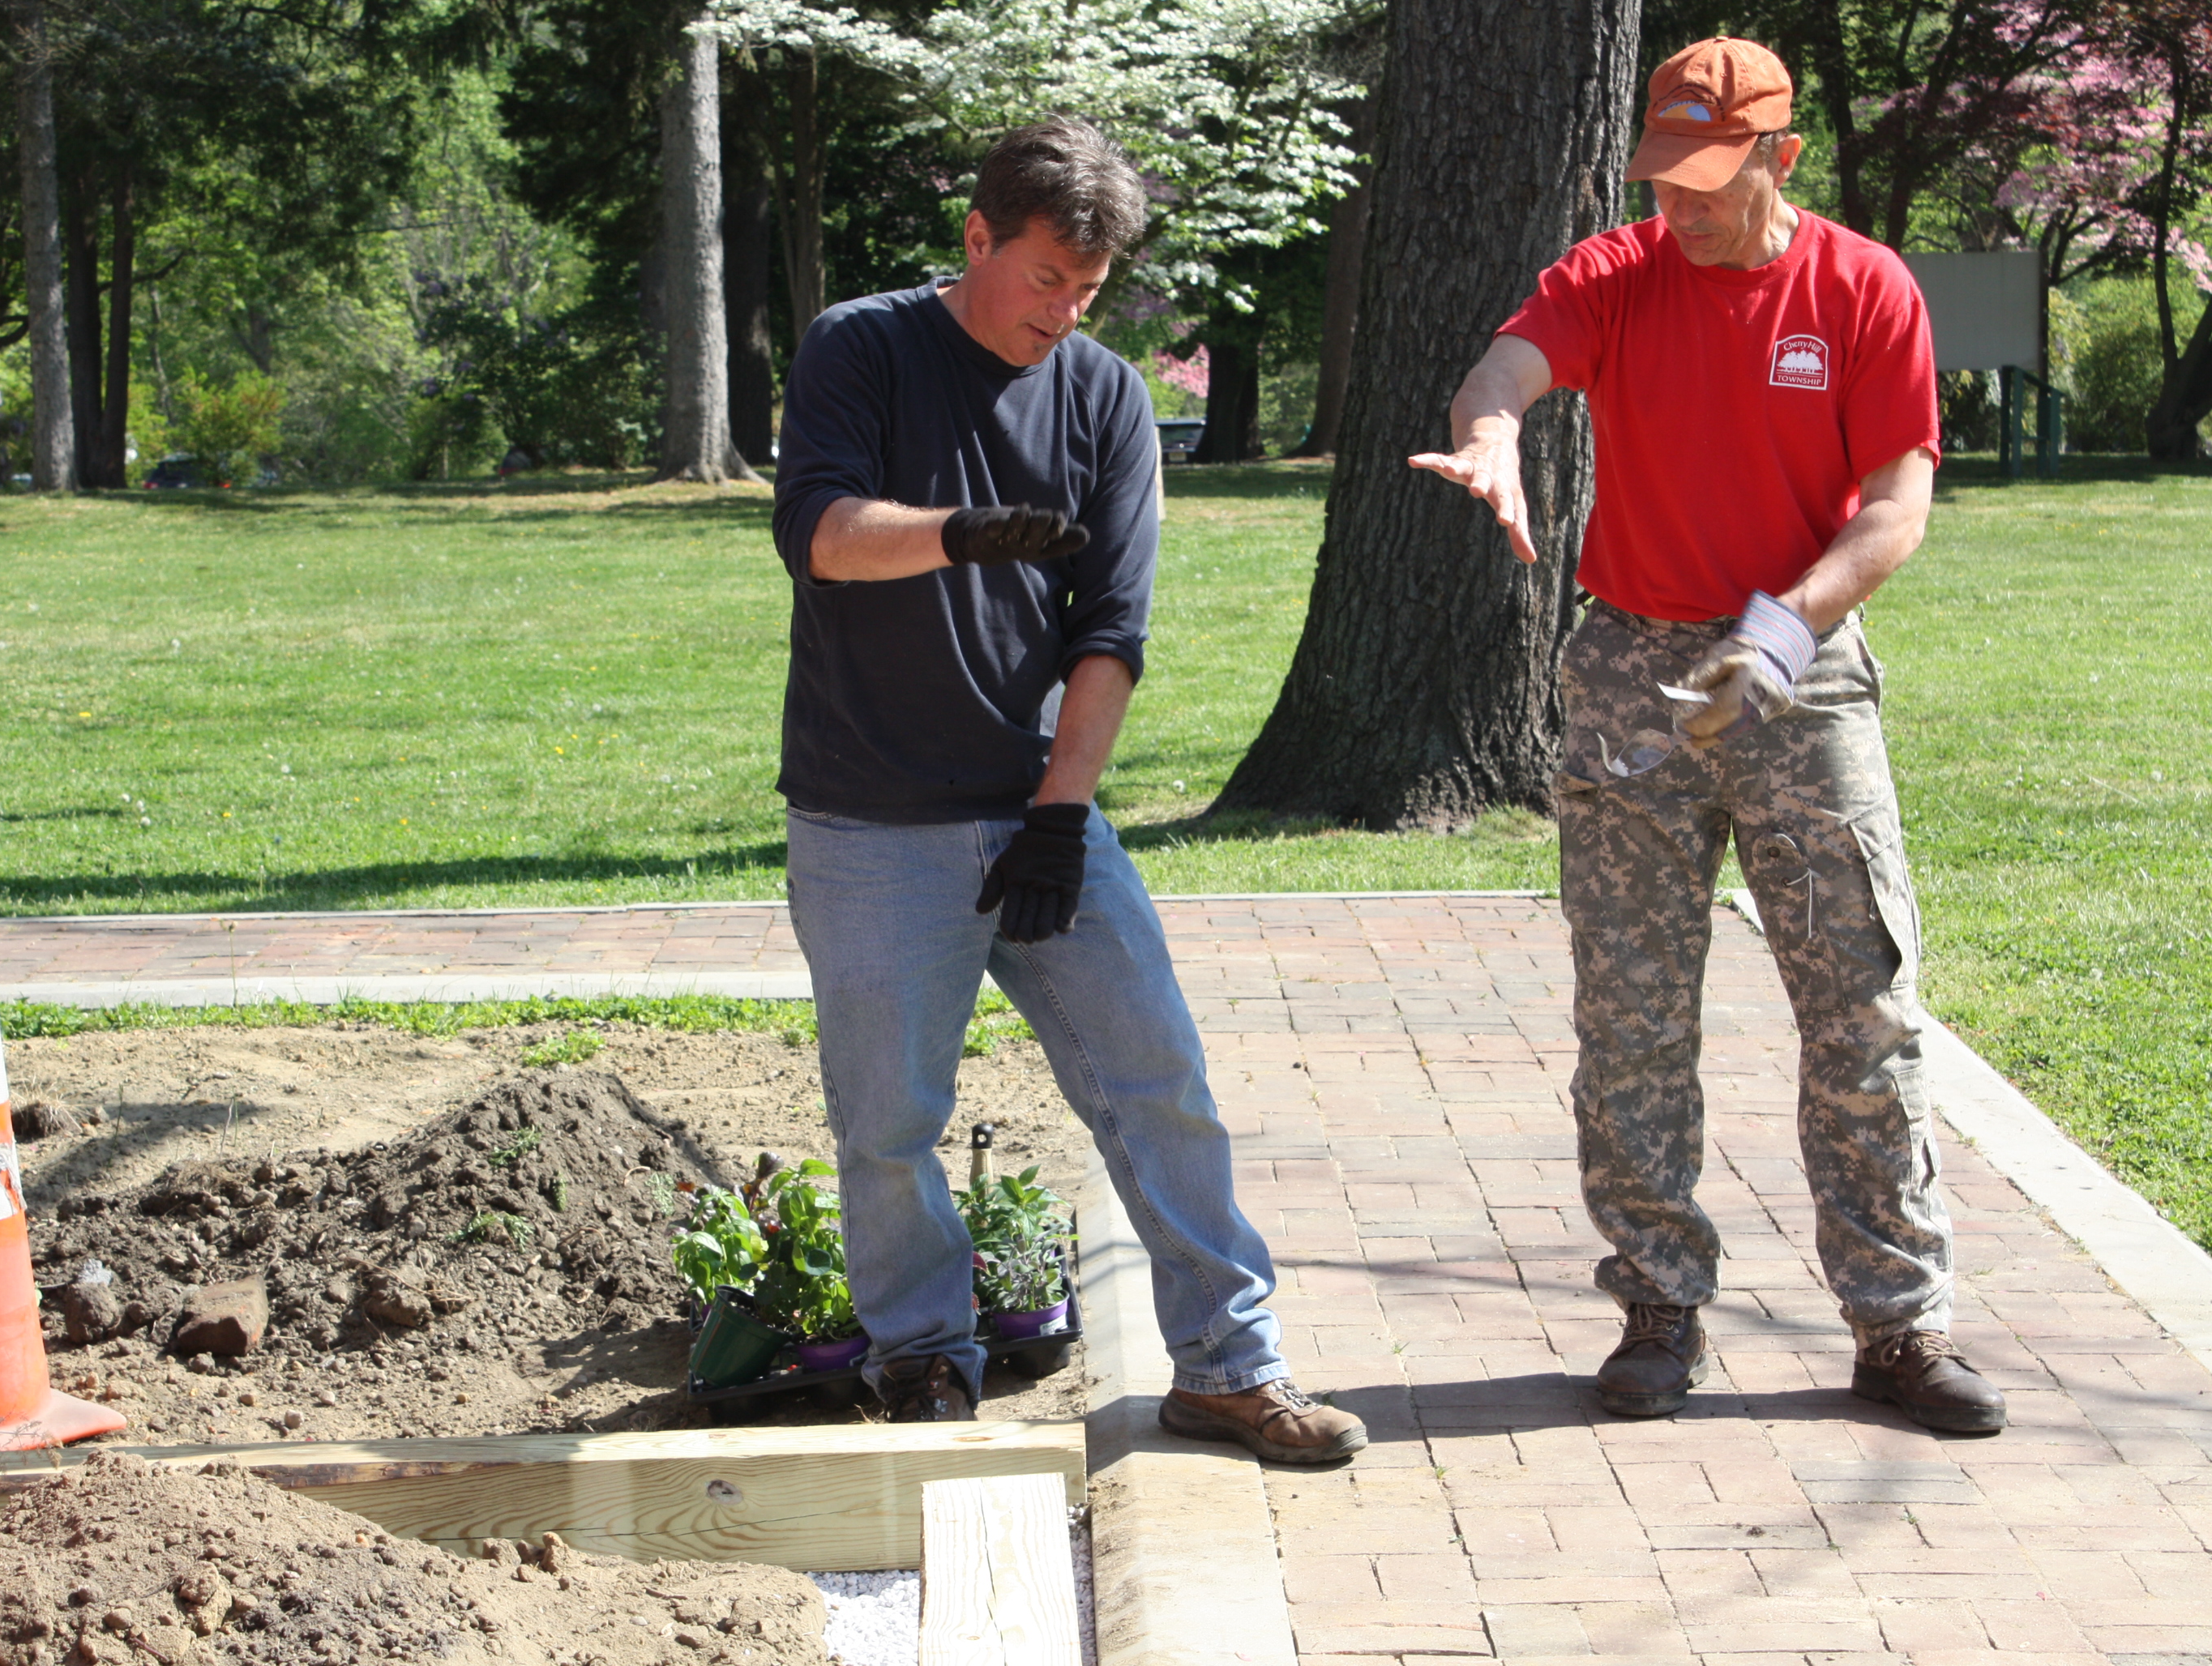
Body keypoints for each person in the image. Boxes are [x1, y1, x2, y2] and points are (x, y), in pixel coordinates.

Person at [1410, 36, 2006, 1433]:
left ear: (1781, 157)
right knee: (1630, 1018)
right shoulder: (1618, 272)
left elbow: (1895, 509)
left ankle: (1899, 1327)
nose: (1677, 203)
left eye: (1709, 177)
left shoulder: (1863, 288)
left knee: (1863, 1010)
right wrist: (1491, 434)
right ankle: (1658, 1305)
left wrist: (1782, 633)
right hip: (1631, 672)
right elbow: (1506, 367)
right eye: (1662, 175)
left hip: (1802, 668)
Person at [768, 117, 1367, 1463]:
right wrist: (961, 535)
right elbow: (819, 535)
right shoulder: (862, 348)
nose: (1065, 312)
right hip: (871, 821)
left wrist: (1057, 813)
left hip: (1044, 812)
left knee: (1160, 1084)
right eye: (1046, 278)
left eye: (1089, 290)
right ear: (977, 237)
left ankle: (1229, 1367)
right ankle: (925, 1357)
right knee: (889, 1123)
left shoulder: (1102, 397)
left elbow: (1112, 631)